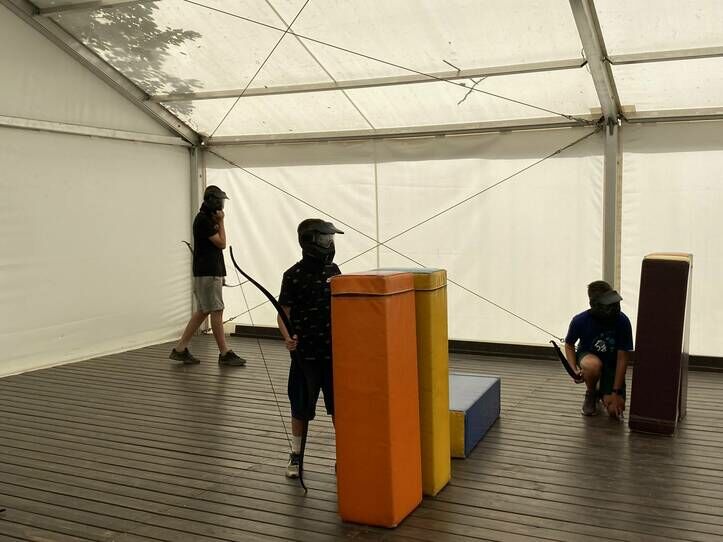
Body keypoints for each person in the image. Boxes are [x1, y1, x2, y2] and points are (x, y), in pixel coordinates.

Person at [277, 218, 343, 478]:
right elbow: (283, 314)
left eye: (331, 239)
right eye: (325, 239)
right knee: (300, 407)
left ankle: (344, 455)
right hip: (305, 355)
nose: (329, 244)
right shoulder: (292, 275)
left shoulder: (334, 270)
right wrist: (288, 338)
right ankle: (296, 454)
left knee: (339, 407)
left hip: (333, 353)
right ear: (309, 242)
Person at [169, 185, 246, 366]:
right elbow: (222, 243)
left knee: (203, 310)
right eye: (219, 201)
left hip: (208, 272)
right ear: (213, 201)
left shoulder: (206, 218)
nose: (221, 204)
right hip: (208, 272)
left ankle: (180, 349)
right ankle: (224, 353)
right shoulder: (204, 220)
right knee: (217, 310)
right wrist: (222, 222)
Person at [565, 280, 633, 418]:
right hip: (589, 357)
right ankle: (592, 393)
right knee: (592, 365)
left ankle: (603, 389)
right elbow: (569, 344)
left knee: (615, 411)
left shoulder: (623, 321)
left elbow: (622, 358)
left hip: (611, 364)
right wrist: (574, 369)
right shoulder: (580, 320)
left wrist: (616, 392)